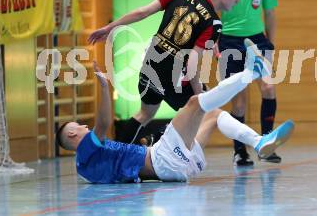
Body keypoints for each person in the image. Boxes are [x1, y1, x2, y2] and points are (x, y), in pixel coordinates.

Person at [56, 41, 294, 183]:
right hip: (161, 160)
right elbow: (103, 122)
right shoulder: (85, 152)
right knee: (194, 104)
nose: (84, 127)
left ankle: (260, 142)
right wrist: (104, 87)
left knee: (213, 116)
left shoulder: (87, 165)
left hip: (176, 166)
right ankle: (252, 72)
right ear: (73, 136)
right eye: (79, 127)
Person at [88, 0, 243, 145]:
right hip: (174, 76)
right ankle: (155, 140)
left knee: (145, 114)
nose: (238, 0)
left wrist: (110, 27)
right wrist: (199, 97)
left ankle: (114, 156)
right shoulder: (213, 23)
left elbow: (142, 12)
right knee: (202, 113)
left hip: (151, 63)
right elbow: (192, 62)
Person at [204, 0, 280, 166]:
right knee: (239, 100)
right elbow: (208, 9)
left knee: (268, 87)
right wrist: (213, 40)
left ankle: (266, 144)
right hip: (229, 40)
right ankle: (240, 152)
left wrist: (271, 43)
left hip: (257, 40)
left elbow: (269, 12)